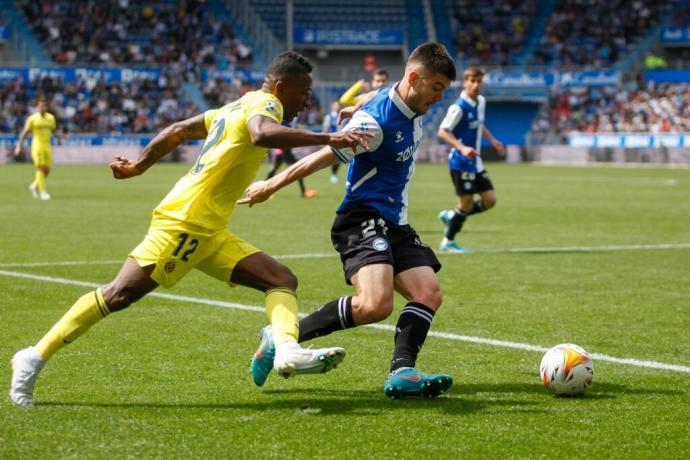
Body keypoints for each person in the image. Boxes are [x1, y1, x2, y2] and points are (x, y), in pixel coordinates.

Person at [9, 51, 371, 407]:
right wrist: (329, 138)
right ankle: (33, 357)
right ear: (280, 87)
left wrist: (139, 166)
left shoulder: (233, 107)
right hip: (186, 223)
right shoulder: (267, 107)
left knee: (280, 279)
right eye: (303, 91)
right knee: (119, 293)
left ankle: (287, 350)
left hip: (209, 229)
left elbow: (177, 130)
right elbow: (261, 135)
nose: (307, 99)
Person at [240, 42, 457, 399]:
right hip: (362, 217)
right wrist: (271, 183)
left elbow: (382, 92)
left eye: (443, 92)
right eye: (436, 89)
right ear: (415, 78)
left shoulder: (408, 99)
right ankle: (283, 335)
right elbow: (321, 158)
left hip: (395, 220)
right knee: (375, 305)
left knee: (428, 293)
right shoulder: (374, 124)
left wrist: (357, 104)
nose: (438, 99)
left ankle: (403, 373)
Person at [436, 67, 505, 253]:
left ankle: (452, 216)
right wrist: (462, 147)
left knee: (490, 200)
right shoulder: (458, 107)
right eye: (472, 81)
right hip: (460, 162)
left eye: (479, 81)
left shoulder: (481, 102)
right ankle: (447, 242)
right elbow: (443, 131)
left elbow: (479, 125)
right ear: (465, 82)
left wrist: (492, 140)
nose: (475, 85)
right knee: (466, 204)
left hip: (476, 163)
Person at [331, 69, 389, 183]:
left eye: (383, 81)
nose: (381, 84)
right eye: (378, 81)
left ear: (387, 82)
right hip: (364, 141)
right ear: (373, 82)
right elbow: (344, 100)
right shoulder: (366, 97)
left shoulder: (390, 99)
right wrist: (358, 85)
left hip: (383, 142)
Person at [14, 100, 60, 201]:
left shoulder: (51, 118)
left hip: (47, 146)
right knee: (41, 168)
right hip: (37, 146)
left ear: (47, 107)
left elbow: (53, 131)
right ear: (37, 107)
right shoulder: (32, 119)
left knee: (47, 170)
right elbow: (24, 133)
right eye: (40, 106)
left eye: (44, 106)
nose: (42, 108)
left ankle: (34, 186)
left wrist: (60, 138)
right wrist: (18, 146)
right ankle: (43, 192)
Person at [266, 120, 318, 198]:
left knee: (279, 168)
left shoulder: (289, 118)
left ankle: (265, 190)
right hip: (284, 148)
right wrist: (278, 147)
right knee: (297, 169)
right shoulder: (284, 118)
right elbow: (279, 131)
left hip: (285, 148)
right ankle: (265, 190)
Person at [321, 100, 342, 183]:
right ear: (332, 106)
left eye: (338, 105)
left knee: (338, 158)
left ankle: (334, 174)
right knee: (332, 156)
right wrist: (323, 140)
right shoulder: (328, 117)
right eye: (335, 105)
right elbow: (325, 128)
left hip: (339, 139)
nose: (337, 107)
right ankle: (332, 174)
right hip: (331, 139)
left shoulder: (342, 115)